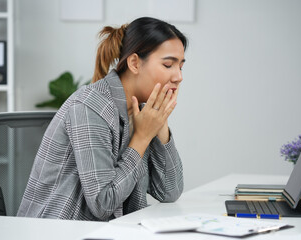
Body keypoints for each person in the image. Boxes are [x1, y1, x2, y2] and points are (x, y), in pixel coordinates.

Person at [17, 17, 187, 221]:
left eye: (181, 66)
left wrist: (160, 123)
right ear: (134, 63)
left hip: (107, 230)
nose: (178, 76)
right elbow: (102, 204)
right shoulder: (90, 107)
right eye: (168, 65)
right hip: (58, 230)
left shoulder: (141, 112)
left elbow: (170, 191)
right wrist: (141, 138)